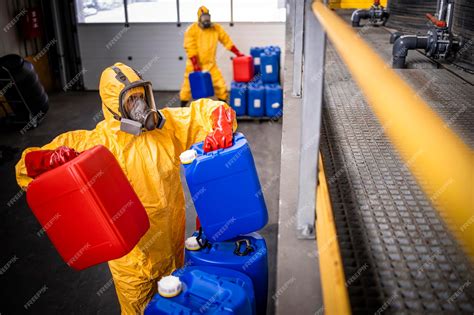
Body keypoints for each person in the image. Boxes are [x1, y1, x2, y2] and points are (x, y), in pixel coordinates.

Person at [15, 63, 236, 314]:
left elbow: (211, 109)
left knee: (175, 307)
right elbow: (25, 167)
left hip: (172, 251)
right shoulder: (96, 143)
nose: (140, 106)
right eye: (130, 101)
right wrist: (52, 159)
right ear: (113, 107)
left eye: (140, 96)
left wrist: (220, 123)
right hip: (132, 262)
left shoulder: (166, 128)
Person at [180, 5, 244, 107]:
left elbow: (226, 40)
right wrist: (196, 65)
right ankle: (182, 107)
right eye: (204, 17)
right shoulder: (191, 30)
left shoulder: (216, 28)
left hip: (211, 64)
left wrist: (237, 53)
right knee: (187, 88)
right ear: (199, 18)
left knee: (221, 86)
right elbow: (190, 47)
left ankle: (223, 109)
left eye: (208, 17)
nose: (206, 20)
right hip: (193, 65)